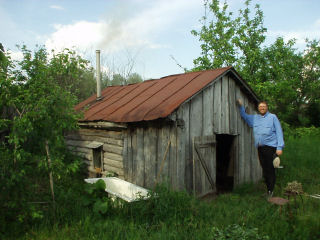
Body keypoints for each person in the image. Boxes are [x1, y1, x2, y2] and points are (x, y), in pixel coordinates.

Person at [236, 99, 284, 198]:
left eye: (264, 106)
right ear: (258, 108)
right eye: (260, 107)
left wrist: (279, 147)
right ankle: (268, 190)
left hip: (270, 147)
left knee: (270, 169)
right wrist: (241, 106)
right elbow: (245, 116)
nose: (262, 108)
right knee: (265, 169)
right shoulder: (255, 118)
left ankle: (271, 191)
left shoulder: (272, 117)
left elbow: (279, 132)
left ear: (267, 107)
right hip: (260, 147)